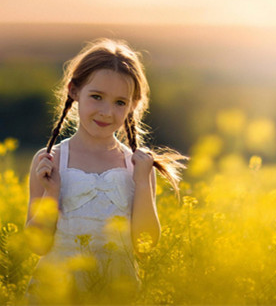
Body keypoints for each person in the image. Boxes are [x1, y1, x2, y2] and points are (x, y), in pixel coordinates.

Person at [24, 38, 186, 304]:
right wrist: (52, 194)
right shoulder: (51, 161)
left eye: (120, 102)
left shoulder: (136, 166)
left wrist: (143, 183)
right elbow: (36, 245)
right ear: (74, 90)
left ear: (133, 105)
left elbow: (145, 245)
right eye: (96, 97)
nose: (106, 111)